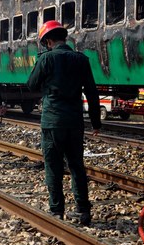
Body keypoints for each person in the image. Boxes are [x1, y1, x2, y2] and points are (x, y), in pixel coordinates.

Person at [27, 20, 101, 225]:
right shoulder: (81, 59)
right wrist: (96, 123)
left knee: (53, 166)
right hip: (75, 121)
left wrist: (41, 62)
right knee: (77, 166)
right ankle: (83, 211)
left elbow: (31, 84)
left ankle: (56, 210)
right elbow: (92, 94)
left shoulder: (46, 59)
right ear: (64, 38)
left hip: (52, 121)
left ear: (48, 41)